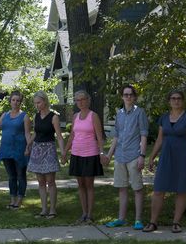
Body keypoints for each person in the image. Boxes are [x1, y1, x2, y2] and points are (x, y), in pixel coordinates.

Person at [143, 90, 186, 233]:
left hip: (183, 157)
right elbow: (159, 139)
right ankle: (153, 222)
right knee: (158, 189)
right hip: (166, 157)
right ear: (169, 101)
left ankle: (176, 222)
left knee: (182, 189)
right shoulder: (164, 118)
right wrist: (152, 156)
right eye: (173, 98)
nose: (176, 101)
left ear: (183, 101)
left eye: (179, 98)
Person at [102, 84, 149, 230]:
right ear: (122, 97)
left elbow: (144, 135)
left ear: (134, 97)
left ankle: (138, 220)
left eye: (130, 94)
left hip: (134, 155)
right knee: (122, 188)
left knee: (137, 188)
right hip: (120, 156)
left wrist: (142, 155)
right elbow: (116, 136)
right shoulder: (119, 114)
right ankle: (121, 219)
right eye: (125, 94)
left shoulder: (140, 112)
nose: (128, 97)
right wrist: (109, 155)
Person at [62, 90, 104, 223]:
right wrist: (65, 151)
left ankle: (90, 214)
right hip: (76, 154)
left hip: (90, 154)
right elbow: (72, 136)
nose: (80, 102)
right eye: (77, 100)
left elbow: (99, 137)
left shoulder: (93, 116)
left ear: (88, 100)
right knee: (80, 184)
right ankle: (84, 213)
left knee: (89, 185)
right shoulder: (75, 116)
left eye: (82, 99)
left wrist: (102, 153)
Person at [0, 90, 31, 209]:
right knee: (11, 176)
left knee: (21, 175)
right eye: (14, 100)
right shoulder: (4, 115)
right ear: (10, 101)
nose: (15, 102)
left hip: (20, 150)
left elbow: (27, 134)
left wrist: (28, 147)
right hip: (6, 150)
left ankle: (19, 200)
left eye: (18, 100)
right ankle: (12, 199)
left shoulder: (24, 117)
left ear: (21, 102)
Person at [26, 90, 66, 218]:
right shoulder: (36, 116)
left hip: (49, 149)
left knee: (50, 181)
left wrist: (63, 152)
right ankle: (44, 209)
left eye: (38, 102)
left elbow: (59, 137)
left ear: (45, 101)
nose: (37, 105)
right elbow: (36, 132)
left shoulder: (54, 117)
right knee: (40, 181)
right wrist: (29, 145)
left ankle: (53, 209)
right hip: (37, 149)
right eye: (35, 103)